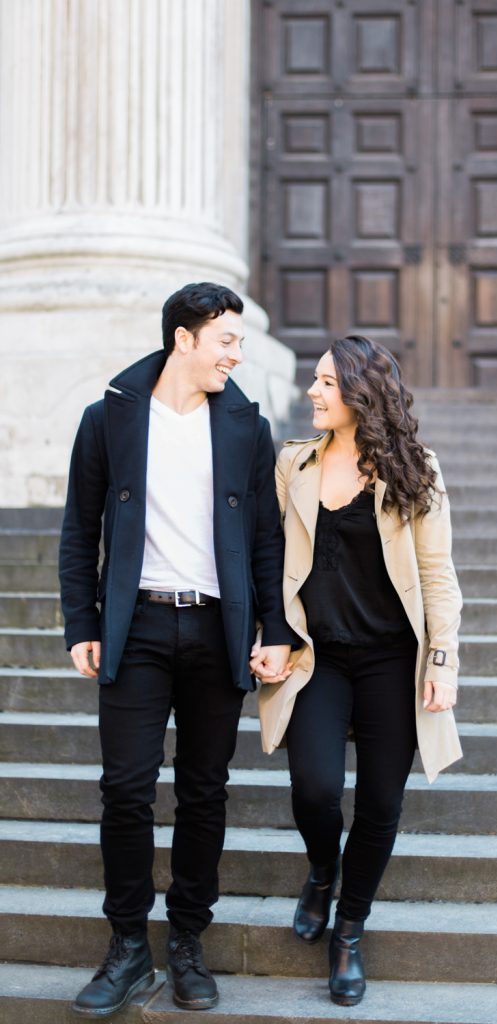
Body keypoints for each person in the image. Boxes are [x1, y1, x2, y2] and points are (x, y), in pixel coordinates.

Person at [59, 282, 293, 1017]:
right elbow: (79, 530)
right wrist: (82, 622)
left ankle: (187, 939)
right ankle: (128, 944)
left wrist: (276, 628)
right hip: (138, 628)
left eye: (239, 342)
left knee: (204, 790)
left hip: (217, 628)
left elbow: (265, 539)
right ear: (183, 339)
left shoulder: (246, 427)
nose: (237, 354)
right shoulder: (109, 419)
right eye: (226, 340)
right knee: (126, 789)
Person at [253, 335, 463, 1006]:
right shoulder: (294, 464)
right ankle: (323, 869)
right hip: (317, 657)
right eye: (314, 380)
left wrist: (442, 661)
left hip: (391, 660)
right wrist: (270, 635)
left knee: (379, 804)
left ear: (359, 394)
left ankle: (348, 928)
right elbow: (269, 560)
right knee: (314, 789)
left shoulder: (415, 469)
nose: (311, 391)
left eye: (324, 382)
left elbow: (437, 574)